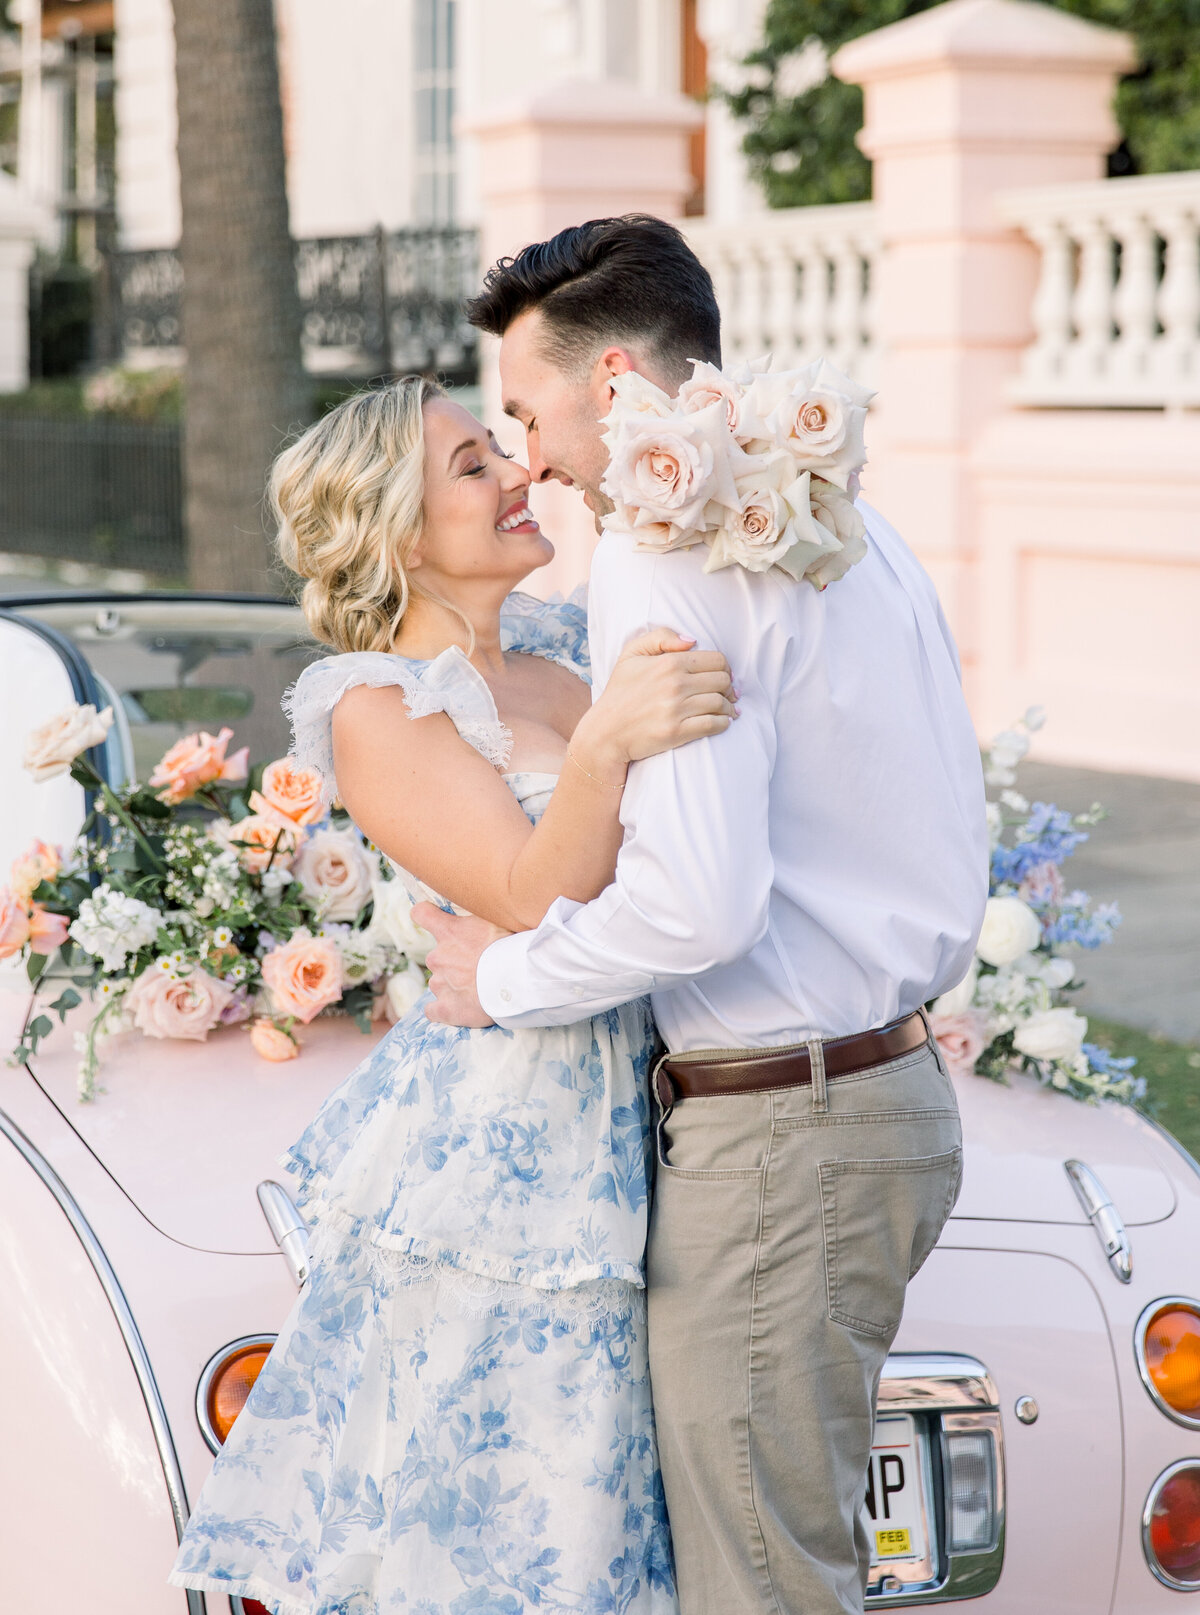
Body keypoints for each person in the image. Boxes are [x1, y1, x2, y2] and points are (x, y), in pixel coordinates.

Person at [420, 215, 990, 1615]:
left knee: (762, 1588)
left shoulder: (662, 551)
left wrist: (504, 976)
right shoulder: (852, 521)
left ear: (613, 382)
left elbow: (700, 904)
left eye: (528, 411)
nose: (532, 458)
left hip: (786, 1136)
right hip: (890, 1094)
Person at [169, 375, 740, 1614]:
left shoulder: (562, 646)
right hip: (516, 1145)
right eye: (474, 466)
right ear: (399, 533)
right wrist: (604, 748)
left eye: (503, 451)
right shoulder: (377, 705)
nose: (519, 475)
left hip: (667, 1083)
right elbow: (535, 895)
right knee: (536, 1505)